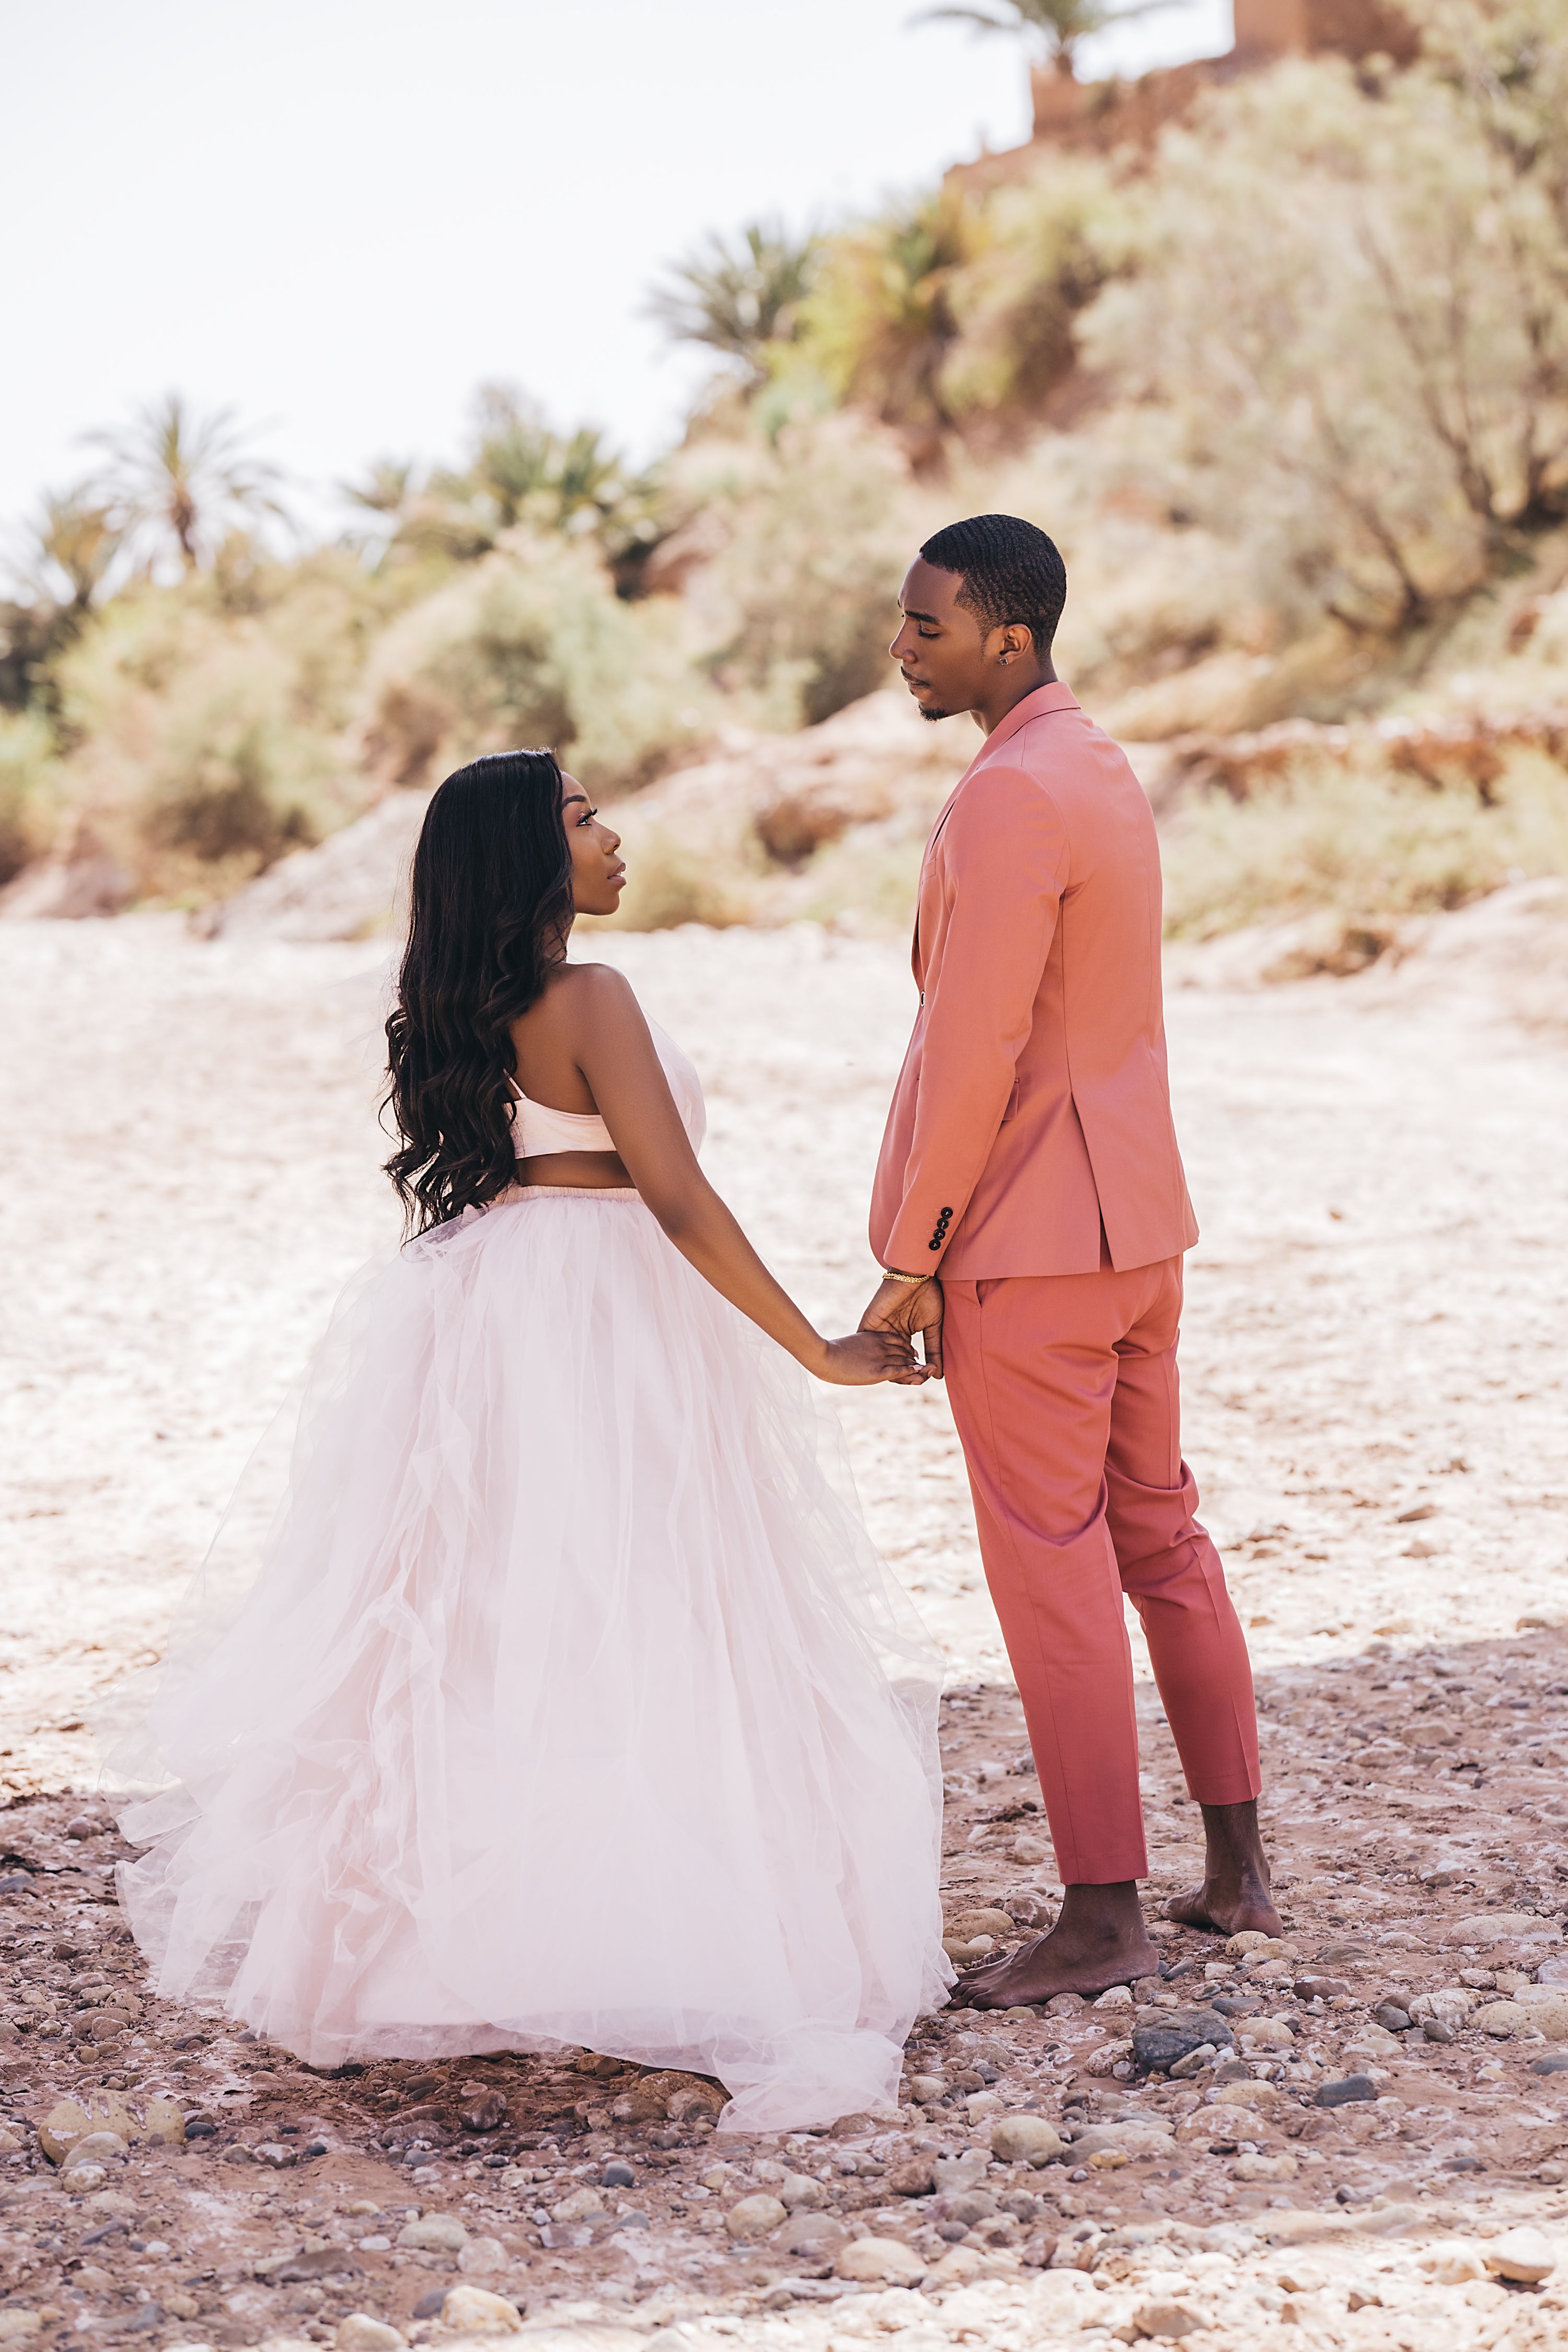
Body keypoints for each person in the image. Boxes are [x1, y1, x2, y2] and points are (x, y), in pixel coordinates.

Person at [109, 750, 950, 2131]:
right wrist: (814, 1345)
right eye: (585, 819)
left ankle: (460, 1945)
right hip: (608, 1311)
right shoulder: (594, 996)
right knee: (655, 1606)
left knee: (496, 1624)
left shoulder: (468, 1002)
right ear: (532, 858)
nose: (616, 837)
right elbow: (675, 1197)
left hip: (501, 1306)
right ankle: (664, 1934)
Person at [861, 513, 1281, 2005]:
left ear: (1006, 639)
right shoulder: (1099, 765)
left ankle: (1104, 1912)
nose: (900, 649)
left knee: (1052, 1567)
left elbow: (973, 1045)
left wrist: (915, 1249)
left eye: (925, 628)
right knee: (1159, 1533)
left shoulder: (1006, 794)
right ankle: (1238, 1866)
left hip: (1027, 1247)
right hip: (1139, 1232)